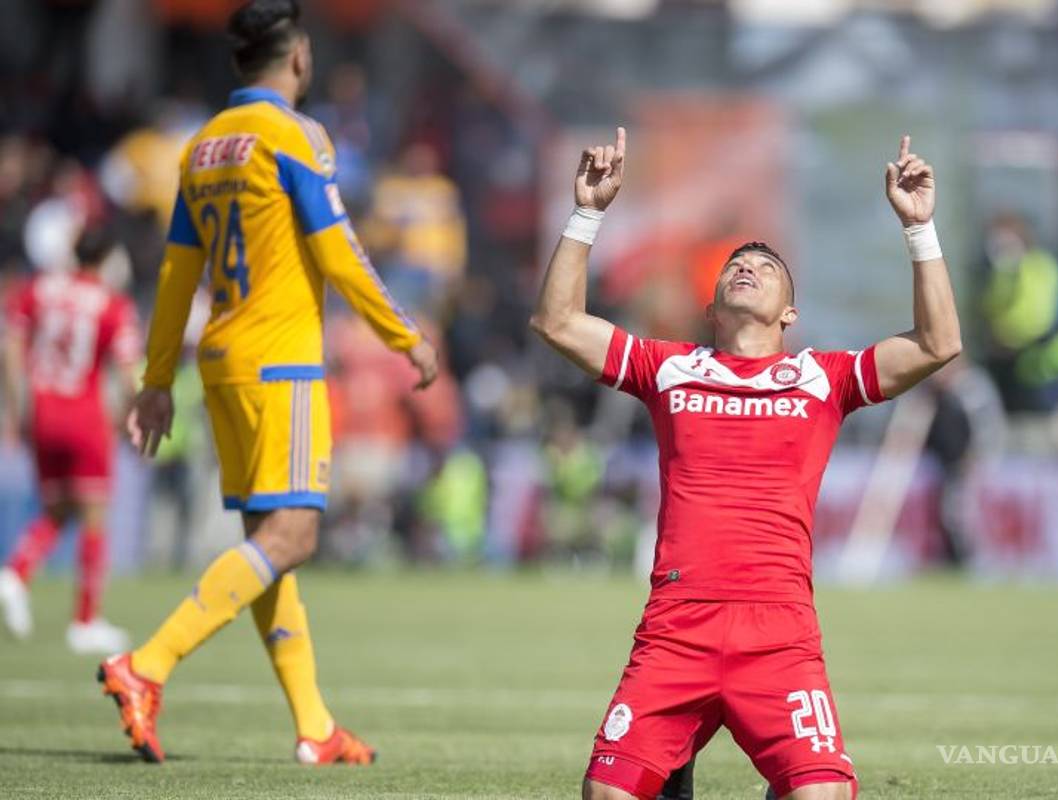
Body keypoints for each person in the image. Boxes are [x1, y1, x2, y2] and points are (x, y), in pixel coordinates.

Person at [530, 128, 960, 800]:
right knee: (606, 794)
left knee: (823, 795)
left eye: (766, 265)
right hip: (679, 624)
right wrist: (587, 212)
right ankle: (672, 768)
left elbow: (938, 343)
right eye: (736, 263)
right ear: (710, 308)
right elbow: (557, 322)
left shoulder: (822, 378)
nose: (747, 265)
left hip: (778, 629)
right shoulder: (669, 367)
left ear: (790, 312)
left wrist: (919, 228)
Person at [97, 0, 437, 765]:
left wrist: (158, 378)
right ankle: (146, 665)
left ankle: (315, 726)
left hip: (221, 360)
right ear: (300, 57)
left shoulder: (202, 146)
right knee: (293, 536)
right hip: (281, 360)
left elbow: (176, 273)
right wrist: (404, 335)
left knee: (267, 546)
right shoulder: (295, 136)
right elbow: (339, 251)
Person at [0, 226, 139, 653]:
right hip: (84, 414)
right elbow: (128, 371)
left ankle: (15, 573)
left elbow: (10, 345)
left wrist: (17, 407)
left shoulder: (39, 290)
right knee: (95, 514)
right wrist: (137, 412)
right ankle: (86, 620)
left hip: (42, 411)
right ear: (109, 259)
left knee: (58, 509)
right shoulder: (112, 304)